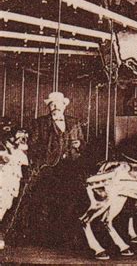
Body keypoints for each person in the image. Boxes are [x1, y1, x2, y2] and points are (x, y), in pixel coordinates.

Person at [9, 92, 86, 247]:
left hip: (70, 167)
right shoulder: (40, 123)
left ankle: (67, 238)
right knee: (43, 202)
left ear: (64, 106)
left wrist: (79, 145)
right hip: (47, 168)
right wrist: (46, 153)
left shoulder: (74, 122)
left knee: (71, 201)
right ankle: (43, 238)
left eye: (58, 104)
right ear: (48, 107)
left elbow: (83, 143)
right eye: (52, 104)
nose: (55, 107)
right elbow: (32, 145)